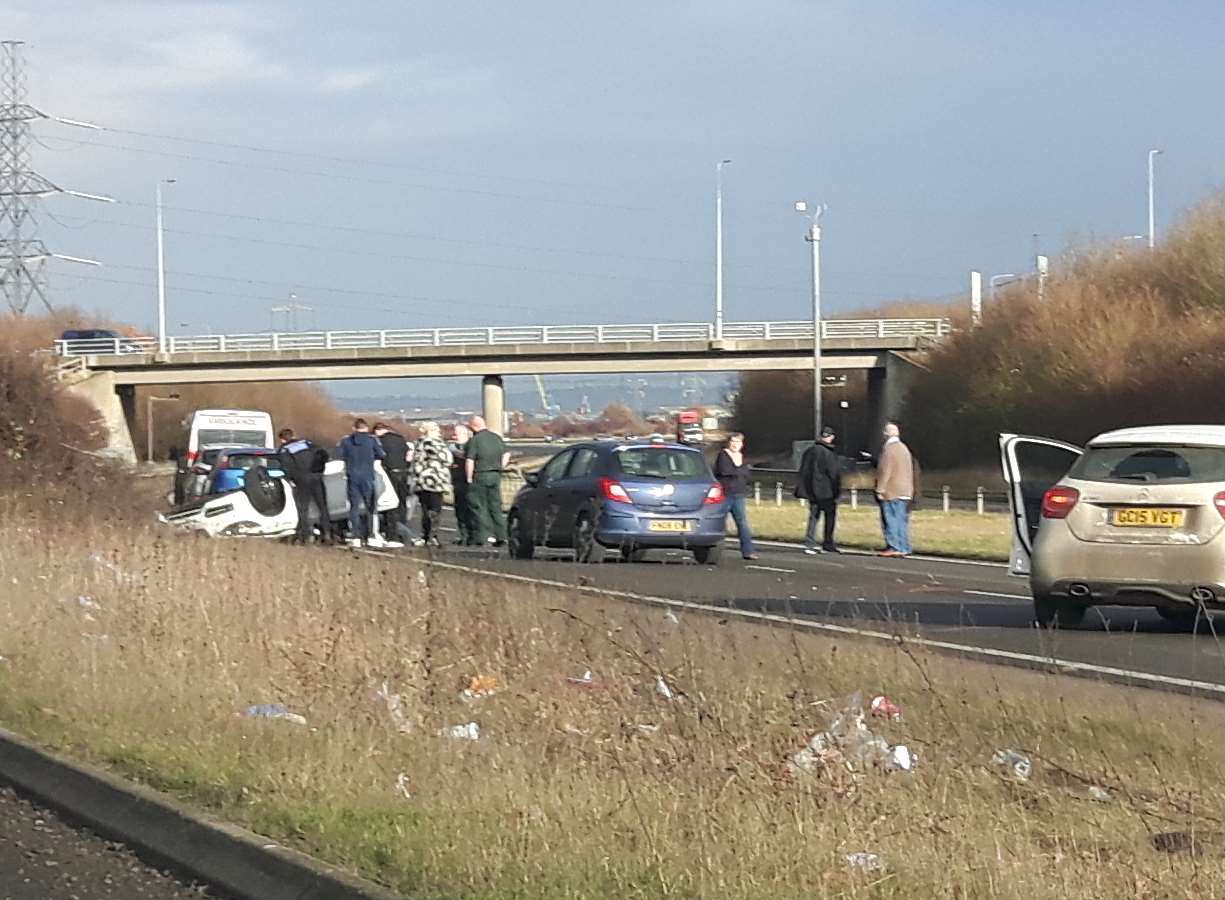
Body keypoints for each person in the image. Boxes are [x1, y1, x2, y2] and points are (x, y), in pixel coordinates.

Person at [336, 418, 386, 548]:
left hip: (352, 476)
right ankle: (370, 535)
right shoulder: (371, 440)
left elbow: (339, 454)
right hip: (368, 476)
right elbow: (381, 454)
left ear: (354, 428)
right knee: (371, 507)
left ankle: (356, 537)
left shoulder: (346, 441)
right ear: (366, 428)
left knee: (354, 507)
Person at [277, 428, 331, 544]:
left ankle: (305, 537)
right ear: (293, 435)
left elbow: (286, 467)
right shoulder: (307, 443)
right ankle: (327, 535)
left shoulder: (284, 449)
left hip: (301, 480)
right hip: (316, 477)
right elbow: (324, 455)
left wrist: (290, 479)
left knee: (303, 509)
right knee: (323, 507)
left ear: (282, 440)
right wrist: (320, 470)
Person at [464, 415, 509, 547]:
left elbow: (470, 460)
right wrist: (501, 467)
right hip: (495, 475)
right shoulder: (496, 438)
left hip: (480, 475)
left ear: (474, 426)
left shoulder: (475, 441)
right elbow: (507, 454)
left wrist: (469, 477)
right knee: (495, 506)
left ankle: (484, 536)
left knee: (480, 506)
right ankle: (502, 535)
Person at [797, 425, 842, 555]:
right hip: (827, 491)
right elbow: (833, 473)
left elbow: (804, 472)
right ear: (831, 437)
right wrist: (837, 489)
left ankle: (810, 543)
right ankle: (827, 543)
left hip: (812, 490)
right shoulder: (829, 454)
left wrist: (805, 489)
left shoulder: (810, 451)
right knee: (829, 517)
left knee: (813, 517)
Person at [714, 432, 758, 560]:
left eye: (738, 442)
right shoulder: (723, 455)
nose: (735, 444)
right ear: (729, 442)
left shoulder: (742, 457)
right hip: (725, 494)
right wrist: (739, 471)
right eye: (733, 441)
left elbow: (747, 474)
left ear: (742, 444)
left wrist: (739, 471)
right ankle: (714, 549)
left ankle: (748, 551)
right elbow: (724, 471)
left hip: (739, 494)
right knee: (720, 522)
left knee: (742, 523)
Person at [373, 422, 417, 545]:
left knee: (389, 503)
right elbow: (409, 456)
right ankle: (403, 526)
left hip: (389, 473)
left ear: (378, 430)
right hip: (403, 472)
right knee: (402, 502)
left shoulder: (379, 441)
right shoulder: (401, 439)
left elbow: (379, 457)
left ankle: (391, 531)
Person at [875, 422, 915, 557]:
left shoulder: (889, 450)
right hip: (905, 490)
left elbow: (886, 471)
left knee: (891, 519)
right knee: (901, 520)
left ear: (886, 434)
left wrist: (880, 489)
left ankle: (894, 546)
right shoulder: (904, 448)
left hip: (892, 490)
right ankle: (904, 546)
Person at [412, 421, 453, 547]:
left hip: (422, 480)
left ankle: (425, 535)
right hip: (436, 480)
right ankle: (432, 536)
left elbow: (416, 462)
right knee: (435, 509)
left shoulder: (419, 443)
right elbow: (448, 459)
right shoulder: (436, 443)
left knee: (425, 509)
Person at [449, 424, 475, 545]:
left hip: (470, 482)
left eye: (456, 434)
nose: (454, 436)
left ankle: (473, 535)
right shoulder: (451, 447)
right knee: (460, 510)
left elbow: (465, 456)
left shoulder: (471, 446)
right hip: (457, 481)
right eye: (453, 434)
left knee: (471, 510)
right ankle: (463, 535)